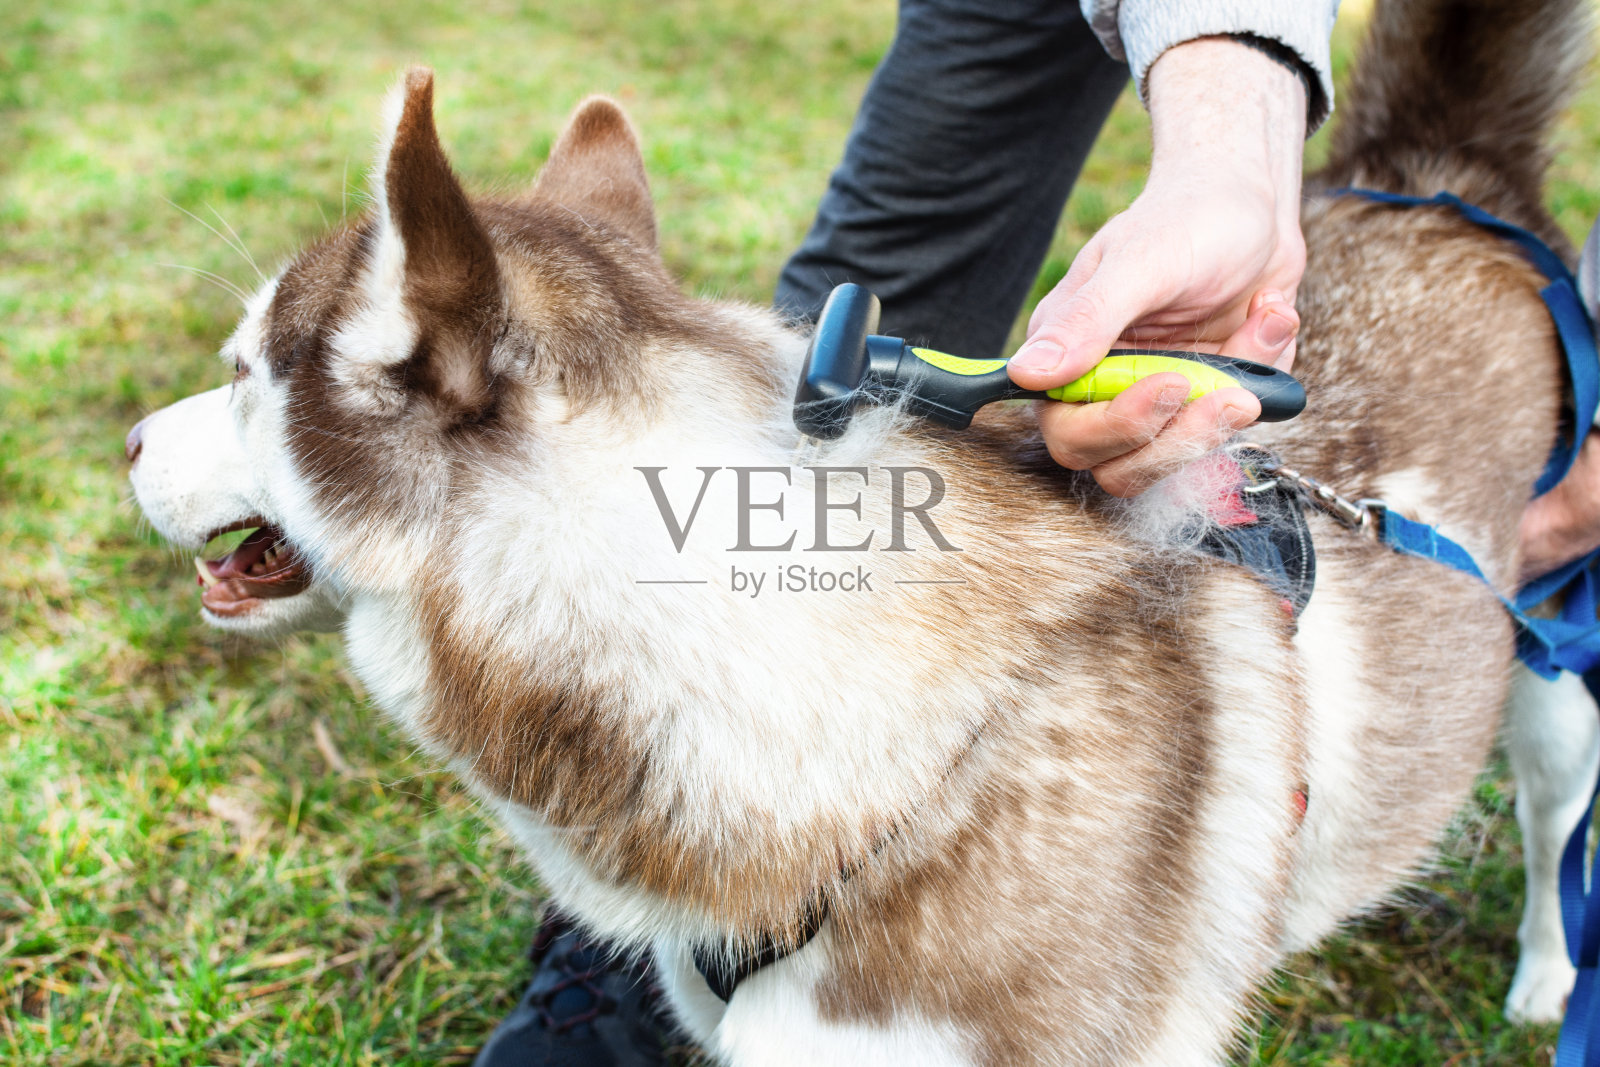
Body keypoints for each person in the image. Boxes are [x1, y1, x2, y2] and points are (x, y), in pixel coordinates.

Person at [474, 1, 1600, 1063]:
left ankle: (1554, 915)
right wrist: (1230, 151)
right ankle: (693, 865)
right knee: (869, 301)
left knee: (1550, 736)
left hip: (1464, 376)